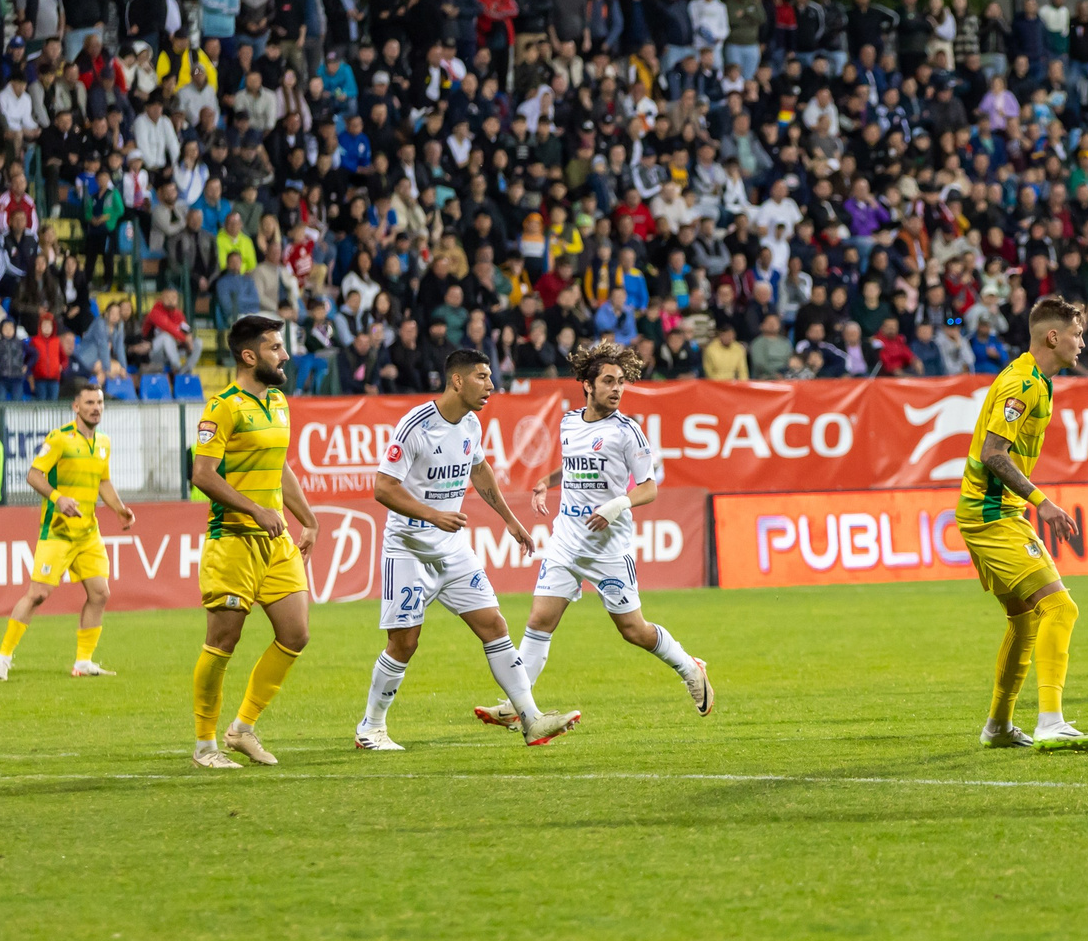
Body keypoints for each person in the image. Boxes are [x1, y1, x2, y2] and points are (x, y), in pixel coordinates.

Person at [477, 339, 711, 732]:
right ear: (587, 385)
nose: (616, 389)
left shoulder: (628, 432)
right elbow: (574, 466)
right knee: (539, 621)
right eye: (608, 381)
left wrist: (617, 505)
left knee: (633, 630)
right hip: (567, 541)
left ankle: (690, 667)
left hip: (608, 549)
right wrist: (545, 482)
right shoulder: (569, 421)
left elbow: (649, 487)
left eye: (620, 381)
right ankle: (520, 703)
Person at [359, 348, 576, 750]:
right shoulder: (415, 426)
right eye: (481, 377)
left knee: (494, 625)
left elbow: (479, 469)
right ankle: (371, 727)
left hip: (454, 550)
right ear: (456, 381)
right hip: (408, 550)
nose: (491, 385)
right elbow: (383, 488)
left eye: (490, 376)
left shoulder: (472, 425)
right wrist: (432, 514)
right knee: (404, 643)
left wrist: (509, 519)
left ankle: (531, 719)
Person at [959, 296, 1088, 751]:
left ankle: (998, 726)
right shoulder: (1023, 385)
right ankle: (1050, 721)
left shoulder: (1038, 379)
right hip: (992, 516)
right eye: (1077, 334)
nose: (1082, 342)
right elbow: (993, 453)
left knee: (1023, 622)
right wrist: (1042, 502)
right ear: (1053, 337)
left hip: (991, 512)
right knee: (1061, 608)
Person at [186, 314, 319, 771]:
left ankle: (242, 729)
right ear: (249, 356)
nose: (284, 356)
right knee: (223, 640)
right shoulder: (221, 407)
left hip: (276, 538)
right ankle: (205, 746)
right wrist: (256, 510)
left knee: (296, 633)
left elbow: (279, 467)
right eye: (275, 348)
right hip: (234, 540)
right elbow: (202, 475)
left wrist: (308, 518)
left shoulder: (279, 401)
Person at [0, 383, 136, 682]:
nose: (96, 407)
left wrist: (120, 509)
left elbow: (103, 483)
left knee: (100, 593)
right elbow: (33, 474)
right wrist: (59, 499)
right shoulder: (59, 439)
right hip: (57, 531)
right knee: (38, 594)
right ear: (76, 406)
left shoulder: (103, 443)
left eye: (99, 402)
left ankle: (83, 662)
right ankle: (3, 658)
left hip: (88, 533)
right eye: (89, 403)